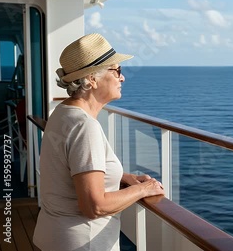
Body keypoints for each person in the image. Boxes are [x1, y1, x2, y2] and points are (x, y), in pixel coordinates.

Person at [33, 33, 165, 251]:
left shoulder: (62, 113)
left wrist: (124, 177)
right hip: (83, 243)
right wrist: (145, 189)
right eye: (117, 71)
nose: (122, 78)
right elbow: (94, 206)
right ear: (92, 79)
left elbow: (71, 169)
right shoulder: (85, 126)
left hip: (50, 236)